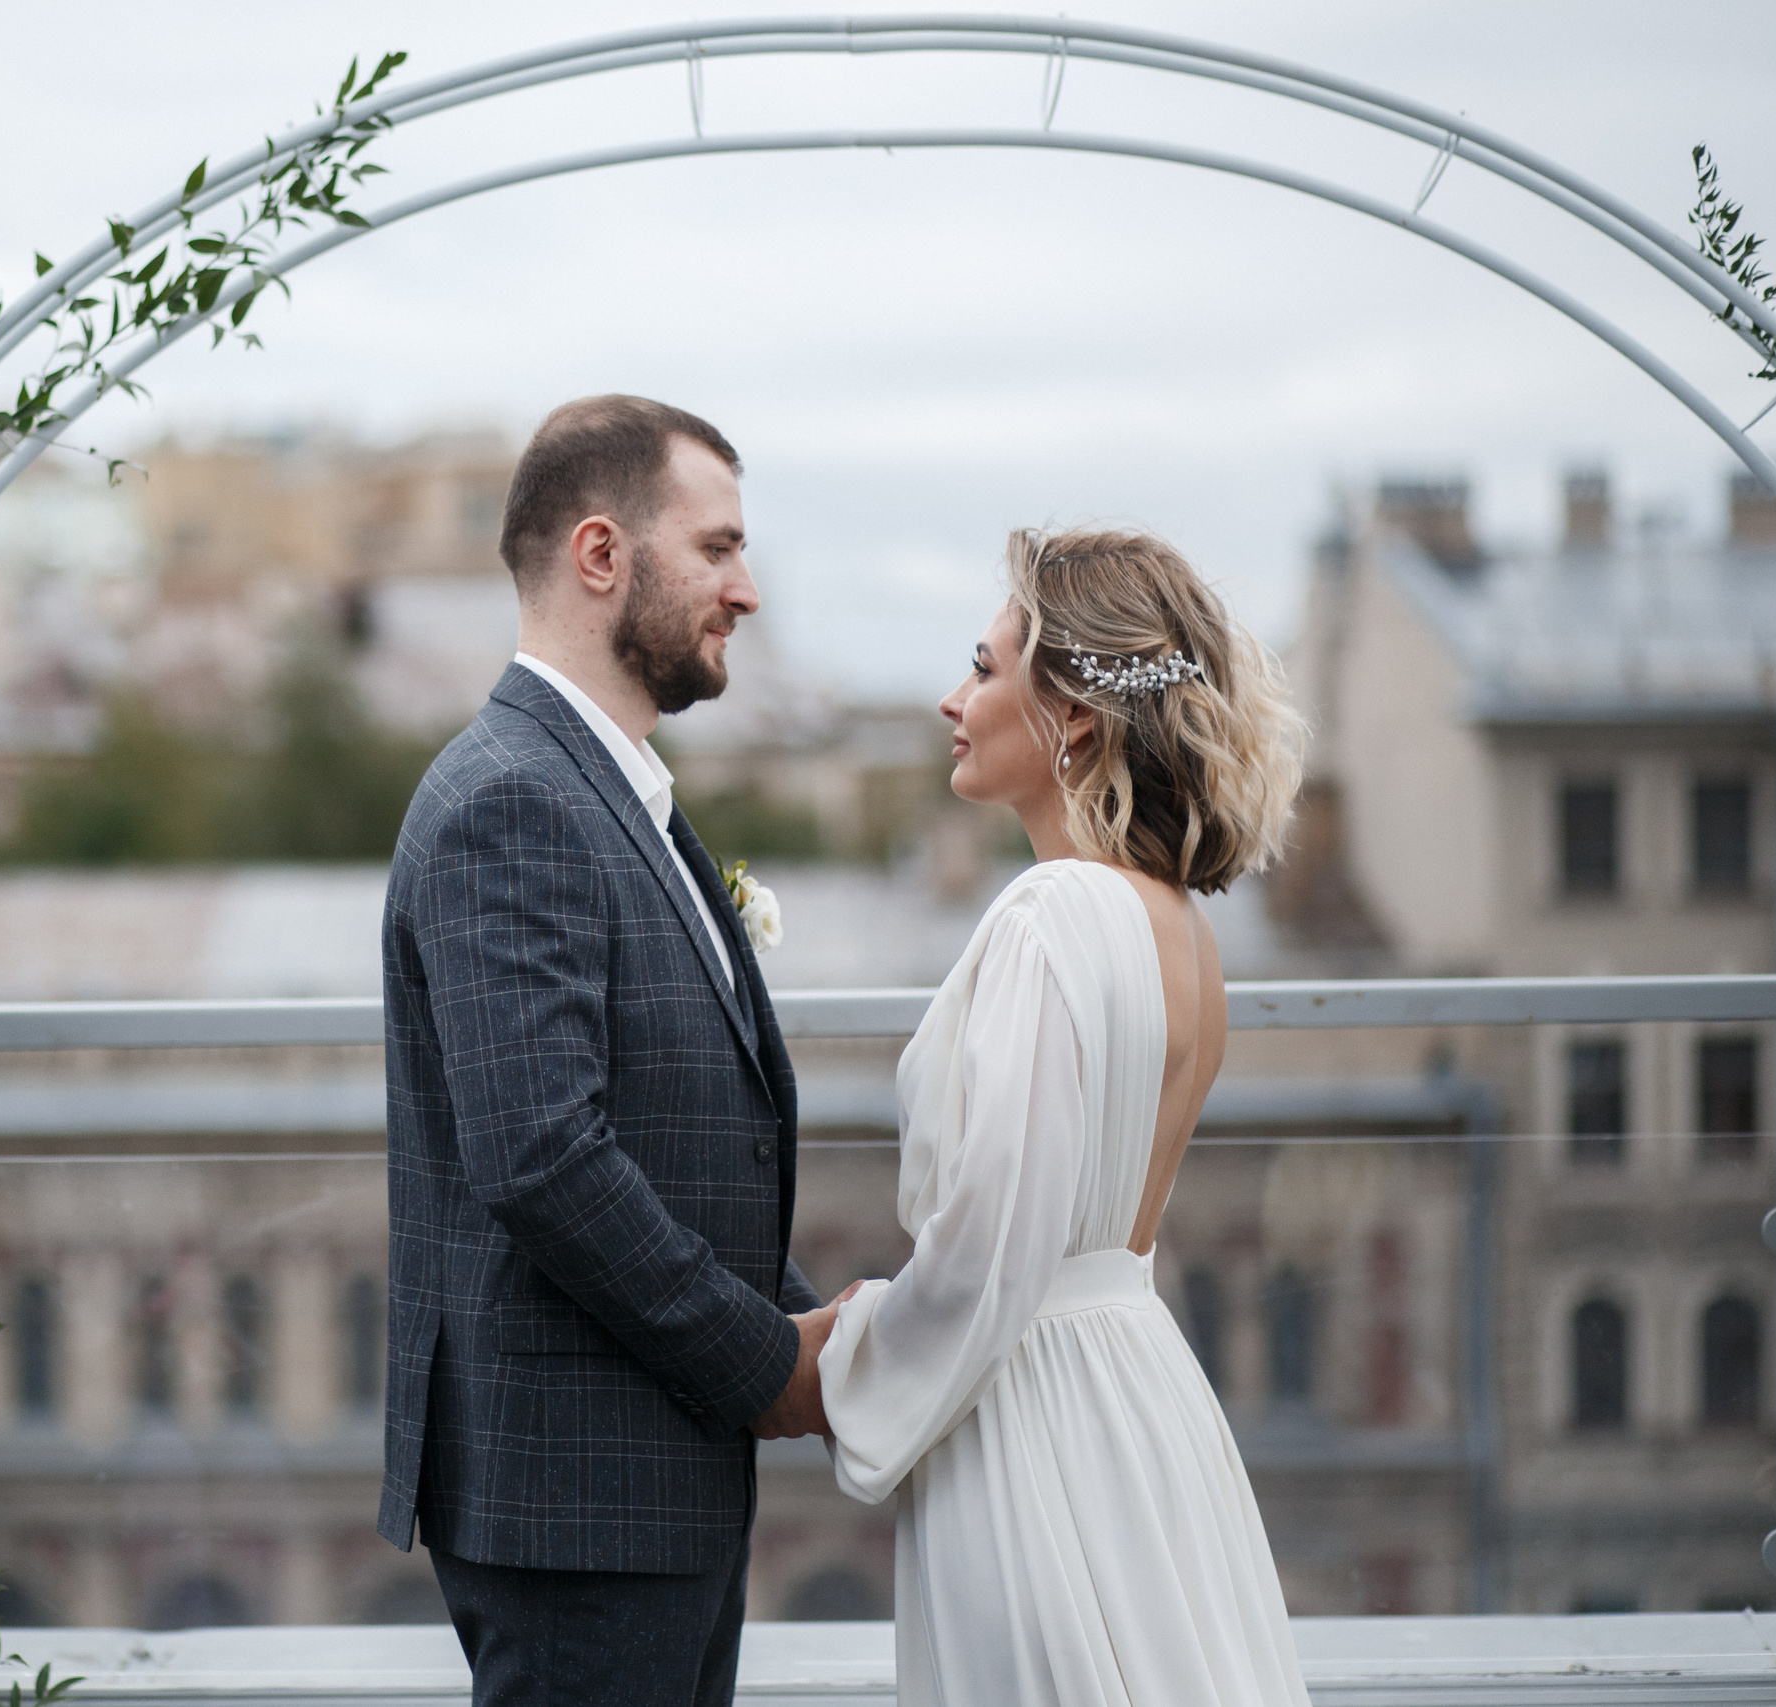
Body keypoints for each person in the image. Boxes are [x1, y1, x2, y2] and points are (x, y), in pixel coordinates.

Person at [810, 525, 1310, 1706]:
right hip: (1143, 1397)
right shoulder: (1181, 927)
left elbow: (994, 1239)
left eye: (982, 670)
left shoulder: (1051, 917)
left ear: (1074, 717)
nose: (950, 698)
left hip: (1029, 1415)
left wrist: (835, 1363)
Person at [376, 395, 825, 1707]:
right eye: (719, 546)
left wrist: (806, 1323)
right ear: (600, 555)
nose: (746, 590)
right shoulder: (515, 798)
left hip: (640, 1485)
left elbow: (670, 1135)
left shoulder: (597, 786)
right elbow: (543, 1153)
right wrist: (765, 1361)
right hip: (582, 1504)